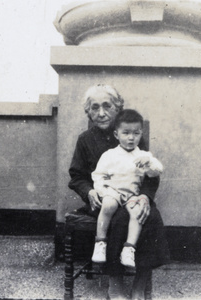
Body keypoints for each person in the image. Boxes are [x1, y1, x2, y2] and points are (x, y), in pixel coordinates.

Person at [68, 84, 169, 300]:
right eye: (94, 108)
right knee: (119, 216)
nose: (101, 113)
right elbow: (77, 176)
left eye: (107, 106)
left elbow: (150, 173)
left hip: (133, 195)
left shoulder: (130, 133)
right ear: (88, 112)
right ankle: (115, 283)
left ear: (117, 108)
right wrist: (89, 193)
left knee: (148, 215)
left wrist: (145, 197)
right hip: (103, 199)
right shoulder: (85, 140)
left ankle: (140, 285)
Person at [91, 109, 164, 268]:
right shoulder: (109, 155)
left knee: (137, 212)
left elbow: (157, 171)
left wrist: (149, 163)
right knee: (108, 205)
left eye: (136, 133)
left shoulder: (143, 155)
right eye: (126, 133)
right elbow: (98, 175)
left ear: (141, 134)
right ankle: (100, 243)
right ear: (117, 135)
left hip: (133, 195)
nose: (131, 138)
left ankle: (129, 248)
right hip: (113, 192)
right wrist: (104, 191)